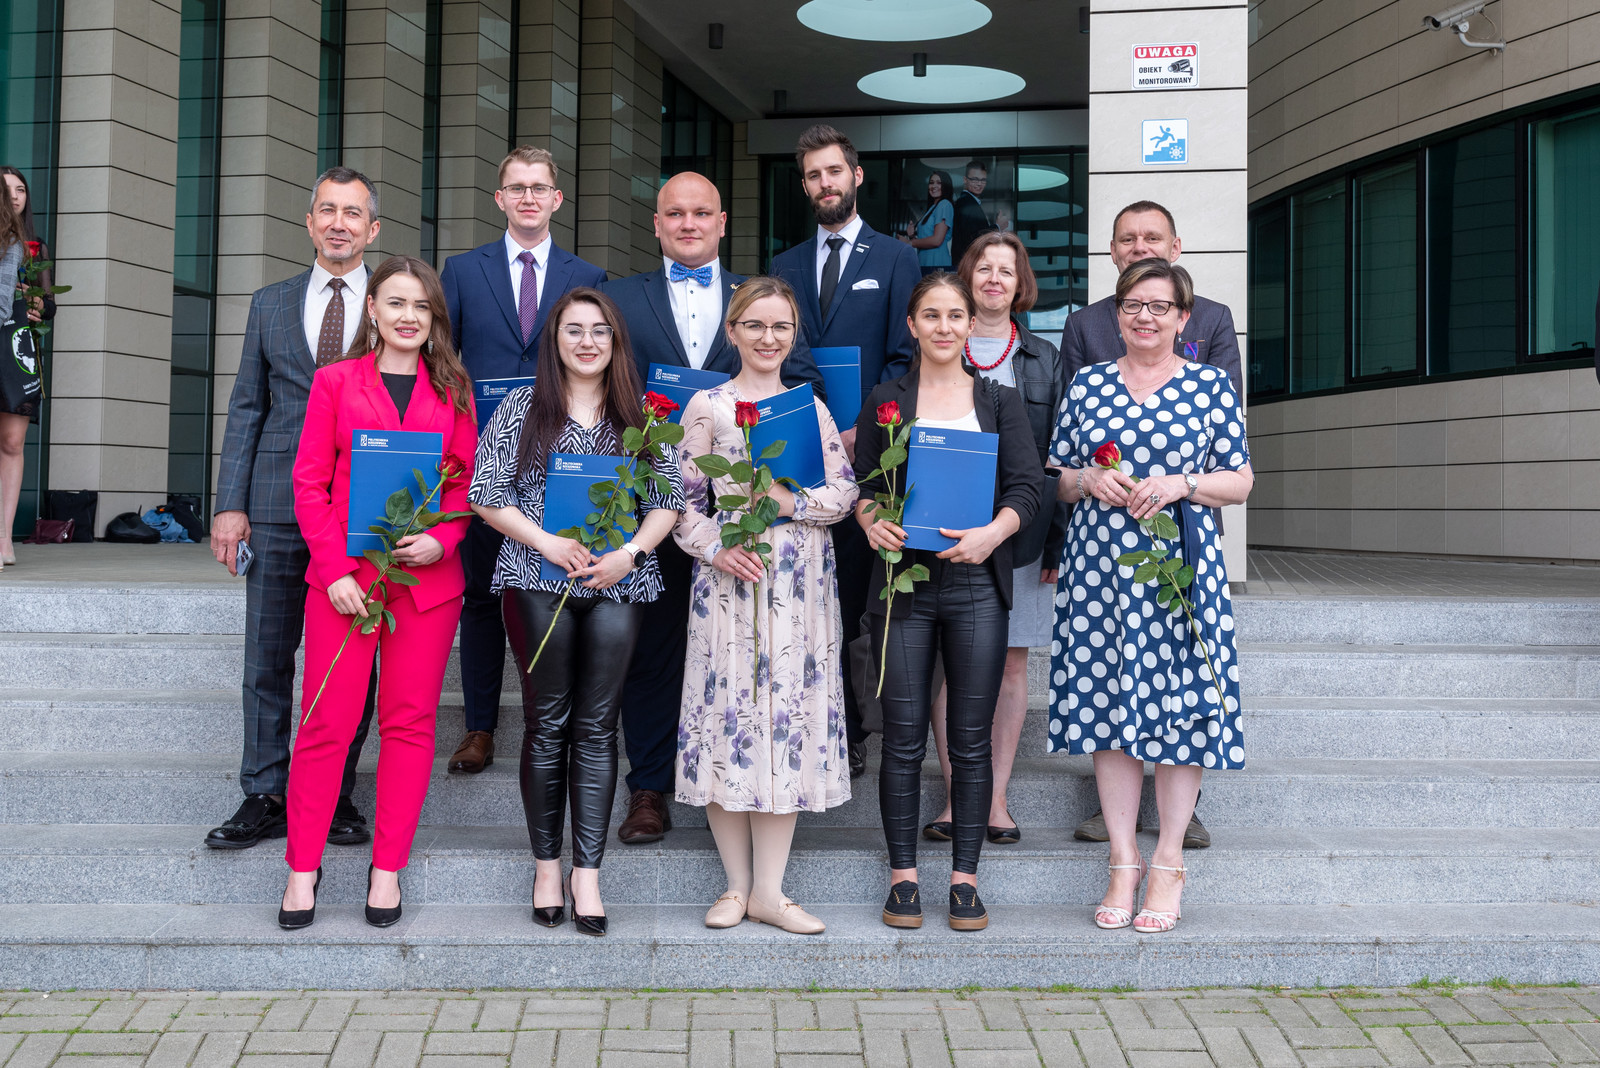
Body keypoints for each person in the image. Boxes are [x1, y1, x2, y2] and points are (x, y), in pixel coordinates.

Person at [601, 172, 823, 845]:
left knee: (738, 656)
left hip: (740, 516)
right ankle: (648, 788)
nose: (689, 224)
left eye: (701, 213)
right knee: (651, 648)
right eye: (676, 213)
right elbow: (601, 382)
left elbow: (800, 381)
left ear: (722, 222)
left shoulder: (760, 302)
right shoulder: (620, 299)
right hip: (646, 501)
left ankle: (740, 778)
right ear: (657, 223)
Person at [1047, 258, 1253, 934]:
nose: (1145, 317)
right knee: (1108, 706)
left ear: (1183, 318)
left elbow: (1240, 480)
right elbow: (1059, 475)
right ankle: (1122, 860)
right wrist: (1086, 480)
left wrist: (1182, 484)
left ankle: (1168, 860)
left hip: (1178, 569)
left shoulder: (1209, 385)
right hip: (1100, 569)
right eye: (1134, 305)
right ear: (1117, 314)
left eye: (1160, 307)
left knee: (1181, 707)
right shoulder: (1087, 384)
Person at [469, 288, 684, 936]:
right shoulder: (522, 406)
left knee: (597, 727)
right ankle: (547, 866)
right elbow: (486, 493)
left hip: (618, 582)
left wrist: (629, 553)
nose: (587, 341)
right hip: (537, 578)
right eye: (574, 330)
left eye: (600, 331)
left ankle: (587, 874)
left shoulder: (641, 413)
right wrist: (548, 542)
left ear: (616, 341)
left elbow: (668, 499)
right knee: (546, 723)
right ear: (555, 340)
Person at [278, 254, 478, 929]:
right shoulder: (334, 381)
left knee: (409, 724)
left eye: (422, 306)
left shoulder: (454, 389)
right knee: (326, 724)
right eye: (396, 302)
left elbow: (464, 485)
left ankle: (386, 870)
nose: (408, 316)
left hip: (426, 585)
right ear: (372, 308)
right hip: (345, 584)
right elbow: (309, 482)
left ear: (434, 317)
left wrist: (444, 539)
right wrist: (334, 569)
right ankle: (302, 870)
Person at [855, 272, 1041, 932]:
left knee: (969, 741)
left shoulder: (998, 401)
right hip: (903, 586)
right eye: (930, 315)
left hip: (974, 586)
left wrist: (994, 533)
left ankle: (965, 881)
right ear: (912, 325)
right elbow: (864, 485)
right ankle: (903, 880)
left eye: (954, 315)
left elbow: (1027, 489)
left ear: (970, 325)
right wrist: (870, 520)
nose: (943, 326)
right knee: (904, 739)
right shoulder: (886, 399)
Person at [674, 276, 859, 935]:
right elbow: (680, 503)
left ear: (793, 334)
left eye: (780, 326)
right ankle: (735, 886)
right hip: (730, 583)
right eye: (754, 324)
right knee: (728, 719)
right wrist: (716, 547)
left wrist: (791, 503)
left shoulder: (810, 408)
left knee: (786, 721)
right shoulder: (708, 406)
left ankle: (771, 893)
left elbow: (845, 491)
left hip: (799, 588)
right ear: (732, 331)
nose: (768, 337)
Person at [207, 167, 383, 851]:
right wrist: (230, 506)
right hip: (278, 503)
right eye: (327, 211)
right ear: (310, 223)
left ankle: (334, 791)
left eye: (353, 213)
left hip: (362, 510)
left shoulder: (393, 303)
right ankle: (265, 792)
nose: (339, 223)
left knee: (349, 662)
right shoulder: (270, 303)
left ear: (373, 229)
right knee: (267, 655)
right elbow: (247, 407)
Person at [440, 146, 608, 778]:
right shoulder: (463, 271)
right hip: (486, 465)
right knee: (482, 596)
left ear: (557, 199)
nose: (529, 197)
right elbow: (443, 360)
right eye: (517, 188)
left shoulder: (587, 273)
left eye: (540, 187)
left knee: (563, 593)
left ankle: (565, 722)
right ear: (500, 199)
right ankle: (479, 727)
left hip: (565, 465)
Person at [771, 123, 920, 777]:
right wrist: (825, 425)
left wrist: (861, 426)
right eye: (813, 175)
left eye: (834, 171)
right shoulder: (783, 266)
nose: (825, 183)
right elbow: (784, 351)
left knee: (860, 599)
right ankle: (811, 723)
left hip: (873, 454)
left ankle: (855, 731)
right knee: (808, 595)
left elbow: (904, 353)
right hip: (806, 451)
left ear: (856, 176)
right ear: (804, 186)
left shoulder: (896, 259)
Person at [922, 230, 1065, 847]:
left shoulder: (1045, 358)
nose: (994, 279)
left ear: (1020, 283)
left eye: (1007, 270)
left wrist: (1056, 542)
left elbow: (1058, 457)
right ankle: (960, 794)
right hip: (943, 529)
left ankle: (997, 796)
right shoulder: (936, 341)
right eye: (984, 268)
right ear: (967, 276)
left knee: (1009, 663)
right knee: (947, 664)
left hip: (1019, 533)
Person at [0, 186, 40, 570]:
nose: (14, 196)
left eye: (20, 189)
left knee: (12, 442)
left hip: (12, 346)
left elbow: (47, 303)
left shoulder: (21, 244)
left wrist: (34, 303)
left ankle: (3, 537)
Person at [901, 171, 954, 275]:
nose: (934, 186)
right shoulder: (933, 207)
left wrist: (910, 243)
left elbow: (937, 240)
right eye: (931, 182)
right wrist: (912, 236)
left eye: (939, 183)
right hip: (926, 261)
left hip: (936, 262)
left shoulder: (944, 204)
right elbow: (926, 239)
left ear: (946, 186)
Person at [950, 161, 997, 266]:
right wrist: (997, 227)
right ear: (965, 180)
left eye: (983, 180)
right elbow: (973, 237)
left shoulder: (969, 202)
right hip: (968, 263)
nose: (979, 184)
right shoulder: (967, 203)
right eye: (975, 179)